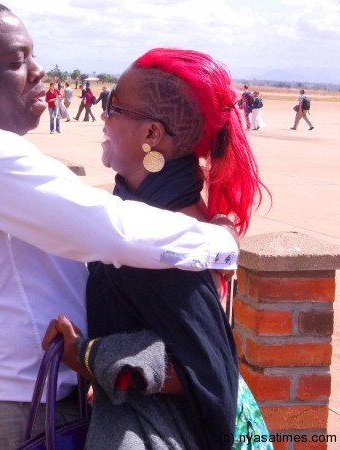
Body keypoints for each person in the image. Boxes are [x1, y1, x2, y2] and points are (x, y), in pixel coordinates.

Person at [0, 2, 239, 448]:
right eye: (15, 60)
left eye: (32, 55)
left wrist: (89, 358)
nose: (38, 70)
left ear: (153, 136)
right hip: (9, 413)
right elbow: (111, 230)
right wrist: (220, 241)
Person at [43, 48, 271, 449]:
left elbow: (204, 364)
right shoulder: (159, 216)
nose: (103, 115)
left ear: (151, 135)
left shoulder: (160, 239)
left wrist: (87, 356)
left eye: (114, 106)